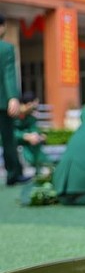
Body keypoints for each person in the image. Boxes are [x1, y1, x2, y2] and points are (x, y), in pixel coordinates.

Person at [0, 15, 29, 185]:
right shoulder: (5, 48)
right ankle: (14, 174)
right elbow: (8, 74)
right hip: (3, 103)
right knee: (8, 139)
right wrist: (13, 97)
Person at [14, 91, 49, 174]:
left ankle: (39, 169)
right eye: (34, 106)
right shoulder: (14, 113)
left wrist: (39, 135)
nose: (35, 109)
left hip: (28, 141)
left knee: (36, 141)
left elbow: (33, 128)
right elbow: (9, 132)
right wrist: (25, 136)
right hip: (13, 140)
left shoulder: (30, 116)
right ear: (28, 104)